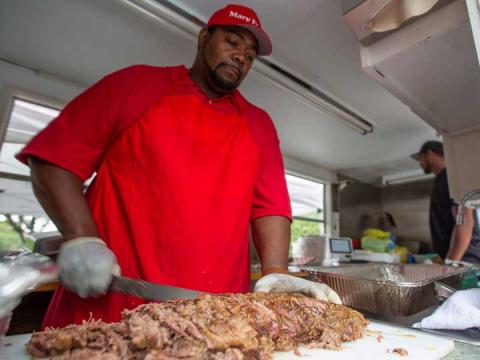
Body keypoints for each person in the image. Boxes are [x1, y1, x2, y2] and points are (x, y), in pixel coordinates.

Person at [17, 4, 340, 328]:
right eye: (232, 41)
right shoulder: (135, 85)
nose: (242, 56)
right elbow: (55, 159)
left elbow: (270, 207)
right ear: (203, 38)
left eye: (251, 54)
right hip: (109, 314)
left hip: (218, 322)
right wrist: (81, 238)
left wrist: (276, 272)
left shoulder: (259, 125)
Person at [416, 141, 480, 263]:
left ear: (429, 154)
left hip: (465, 259)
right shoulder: (444, 179)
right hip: (460, 259)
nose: (420, 163)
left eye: (421, 158)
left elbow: (464, 221)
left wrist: (452, 263)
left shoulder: (450, 177)